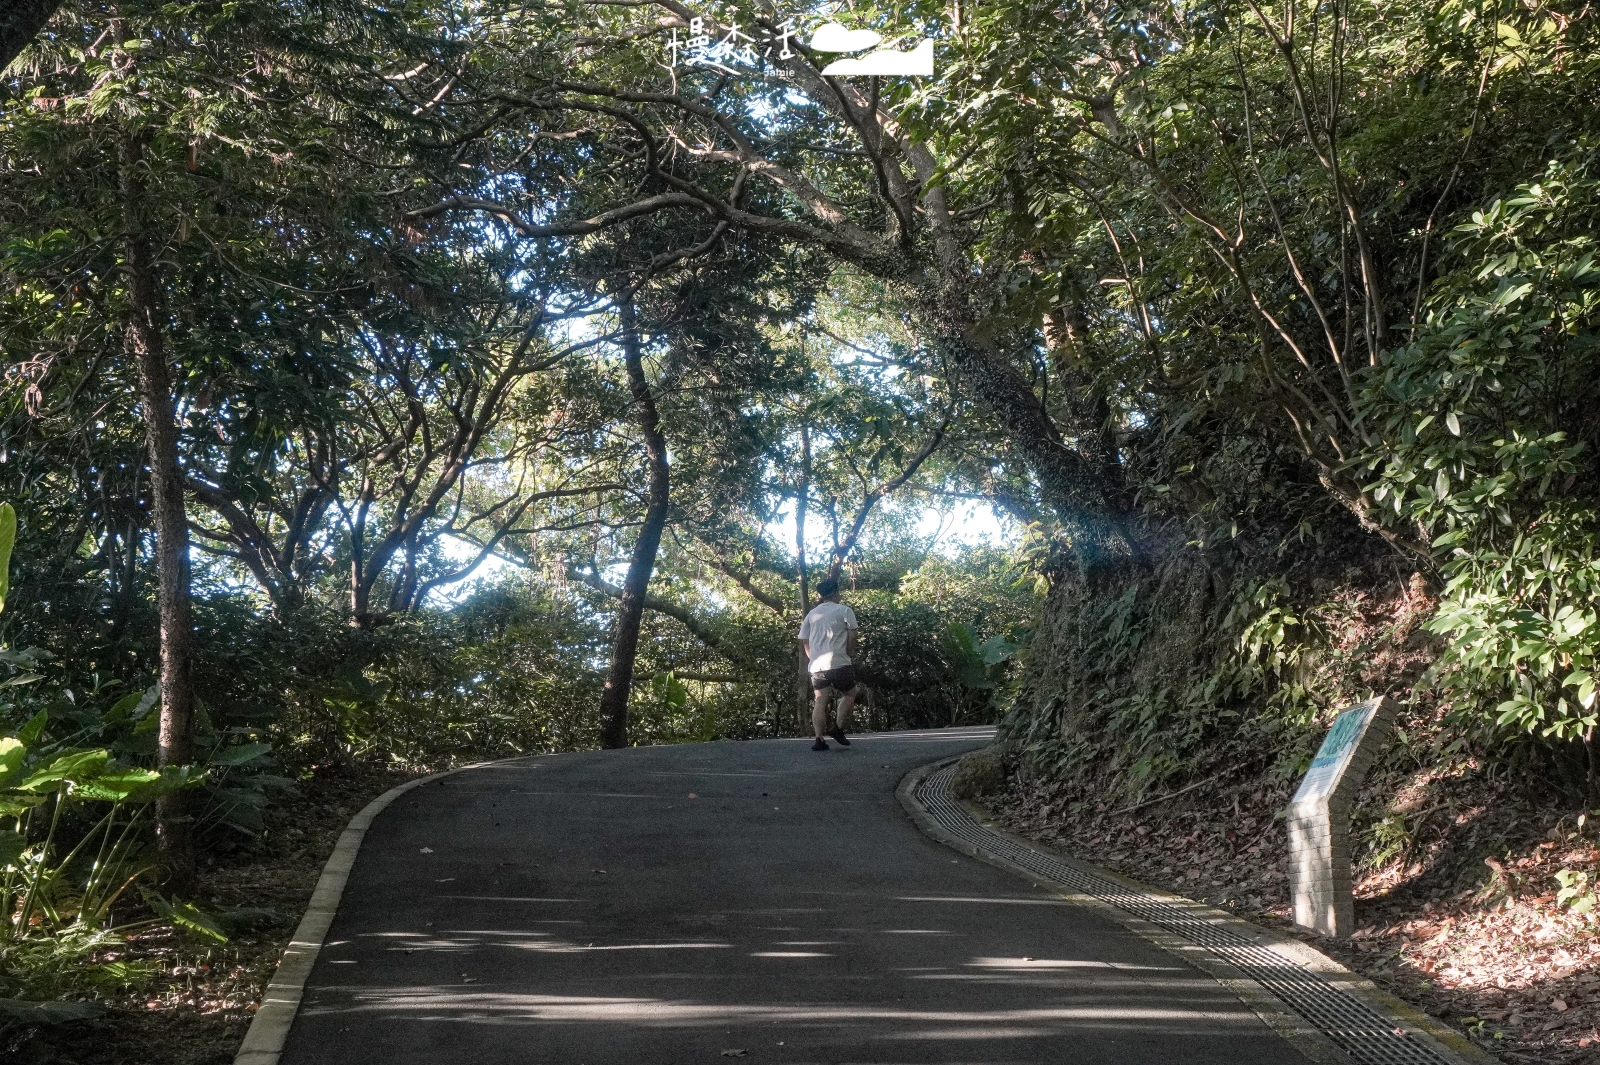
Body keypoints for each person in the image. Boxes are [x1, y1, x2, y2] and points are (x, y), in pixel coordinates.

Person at [798, 575, 859, 751]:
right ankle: (837, 728)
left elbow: (805, 641)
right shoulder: (844, 610)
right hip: (839, 662)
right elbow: (853, 634)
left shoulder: (812, 614)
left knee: (820, 700)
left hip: (817, 666)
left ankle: (819, 739)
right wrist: (848, 652)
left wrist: (812, 658)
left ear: (821, 596)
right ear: (836, 593)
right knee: (850, 693)